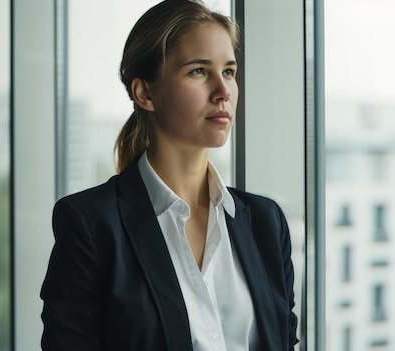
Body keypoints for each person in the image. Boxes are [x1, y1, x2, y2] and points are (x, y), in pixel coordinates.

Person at [40, 0, 298, 350]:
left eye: (229, 72)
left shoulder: (266, 222)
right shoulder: (91, 225)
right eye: (199, 71)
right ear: (145, 92)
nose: (223, 92)